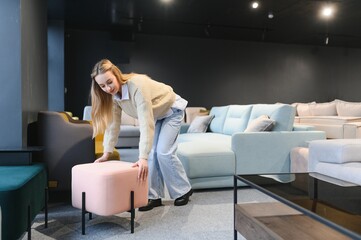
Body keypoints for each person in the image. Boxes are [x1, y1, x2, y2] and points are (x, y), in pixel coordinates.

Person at [90, 59, 193, 211]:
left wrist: (141, 157)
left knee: (163, 152)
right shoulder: (114, 97)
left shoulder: (137, 86)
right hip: (157, 115)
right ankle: (153, 196)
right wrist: (107, 152)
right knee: (151, 155)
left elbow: (145, 123)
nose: (107, 88)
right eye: (102, 85)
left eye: (109, 82)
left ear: (117, 75)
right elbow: (113, 125)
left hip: (172, 110)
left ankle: (183, 190)